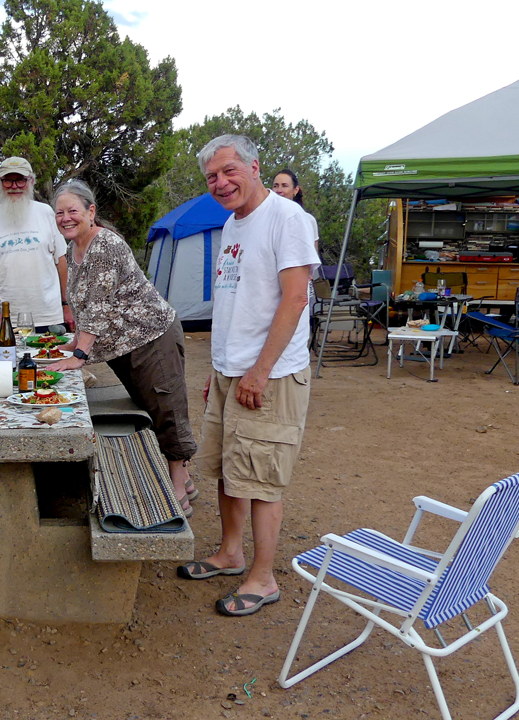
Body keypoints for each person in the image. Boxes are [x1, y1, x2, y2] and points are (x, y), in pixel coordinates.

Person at [177, 135, 318, 617]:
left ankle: (263, 577)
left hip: (270, 376)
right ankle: (230, 553)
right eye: (212, 177)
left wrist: (259, 372)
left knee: (260, 478)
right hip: (231, 372)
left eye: (229, 171)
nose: (221, 183)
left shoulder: (288, 218)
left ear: (254, 166)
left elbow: (295, 299)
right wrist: (222, 368)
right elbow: (238, 302)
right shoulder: (234, 225)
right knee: (226, 471)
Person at [44, 180, 198, 513]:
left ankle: (177, 489)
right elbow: (85, 307)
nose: (66, 218)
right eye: (60, 212)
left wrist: (80, 356)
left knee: (166, 408)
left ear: (91, 211)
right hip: (124, 345)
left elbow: (100, 305)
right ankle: (184, 478)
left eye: (73, 211)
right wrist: (73, 344)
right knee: (151, 406)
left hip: (150, 335)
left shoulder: (104, 245)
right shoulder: (76, 249)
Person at [0, 156, 73, 332]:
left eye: (20, 181)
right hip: (7, 320)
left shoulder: (46, 212)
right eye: (8, 181)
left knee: (54, 359)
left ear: (31, 181)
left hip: (49, 316)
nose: (14, 187)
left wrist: (66, 304)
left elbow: (61, 261)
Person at [271, 168, 320, 252]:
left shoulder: (308, 220)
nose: (279, 190)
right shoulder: (264, 217)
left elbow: (312, 255)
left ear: (295, 190)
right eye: (276, 186)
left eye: (284, 186)